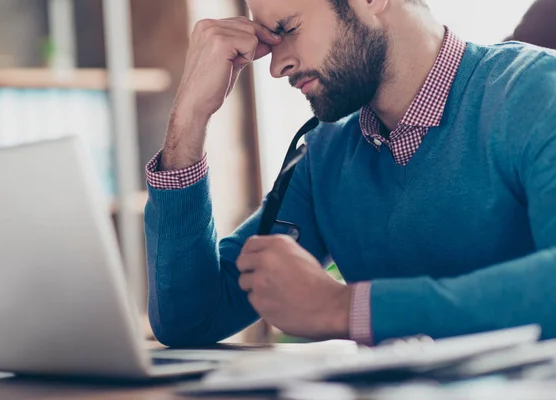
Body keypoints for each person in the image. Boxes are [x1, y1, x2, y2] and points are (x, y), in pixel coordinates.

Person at [144, 0, 556, 347]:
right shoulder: (327, 156)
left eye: (288, 29)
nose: (277, 66)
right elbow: (191, 320)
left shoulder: (536, 93)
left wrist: (344, 308)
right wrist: (189, 118)